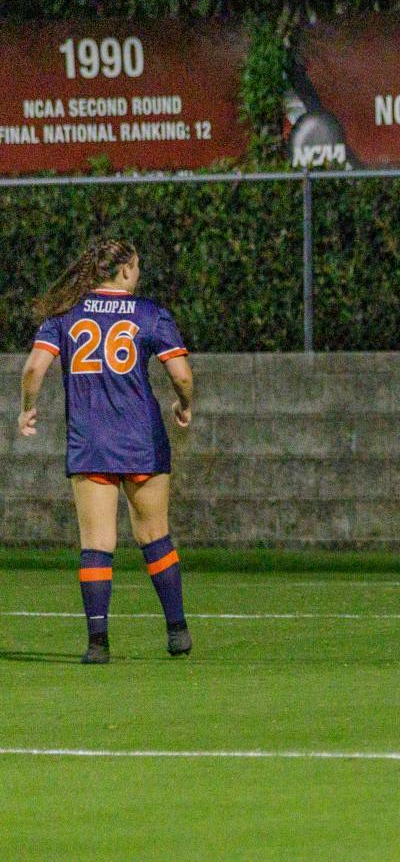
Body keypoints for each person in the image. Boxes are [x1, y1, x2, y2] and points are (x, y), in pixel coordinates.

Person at [18, 239, 195, 664]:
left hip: (90, 440)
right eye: (136, 267)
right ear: (125, 271)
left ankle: (98, 643)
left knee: (97, 541)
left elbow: (33, 369)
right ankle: (177, 631)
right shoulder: (150, 313)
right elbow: (182, 375)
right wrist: (185, 405)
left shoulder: (64, 315)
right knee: (154, 534)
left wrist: (27, 410)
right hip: (141, 439)